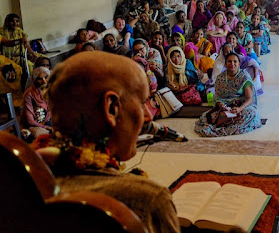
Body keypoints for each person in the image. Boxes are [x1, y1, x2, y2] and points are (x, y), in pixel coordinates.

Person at [33, 52, 180, 233]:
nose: (148, 116)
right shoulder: (148, 200)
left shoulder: (21, 179)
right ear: (111, 108)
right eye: (142, 103)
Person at [195, 52, 261, 137]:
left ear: (239, 64)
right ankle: (227, 122)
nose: (232, 64)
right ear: (225, 64)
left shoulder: (244, 77)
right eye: (229, 61)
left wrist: (239, 109)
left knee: (251, 113)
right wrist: (222, 106)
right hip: (225, 107)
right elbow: (218, 97)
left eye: (235, 61)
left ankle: (226, 126)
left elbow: (249, 98)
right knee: (205, 117)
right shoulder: (220, 78)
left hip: (242, 106)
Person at [21, 66, 51, 138]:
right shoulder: (29, 94)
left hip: (49, 121)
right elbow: (30, 121)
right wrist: (46, 127)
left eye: (46, 77)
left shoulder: (50, 89)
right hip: (35, 126)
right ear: (34, 80)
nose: (44, 81)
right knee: (41, 134)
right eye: (40, 79)